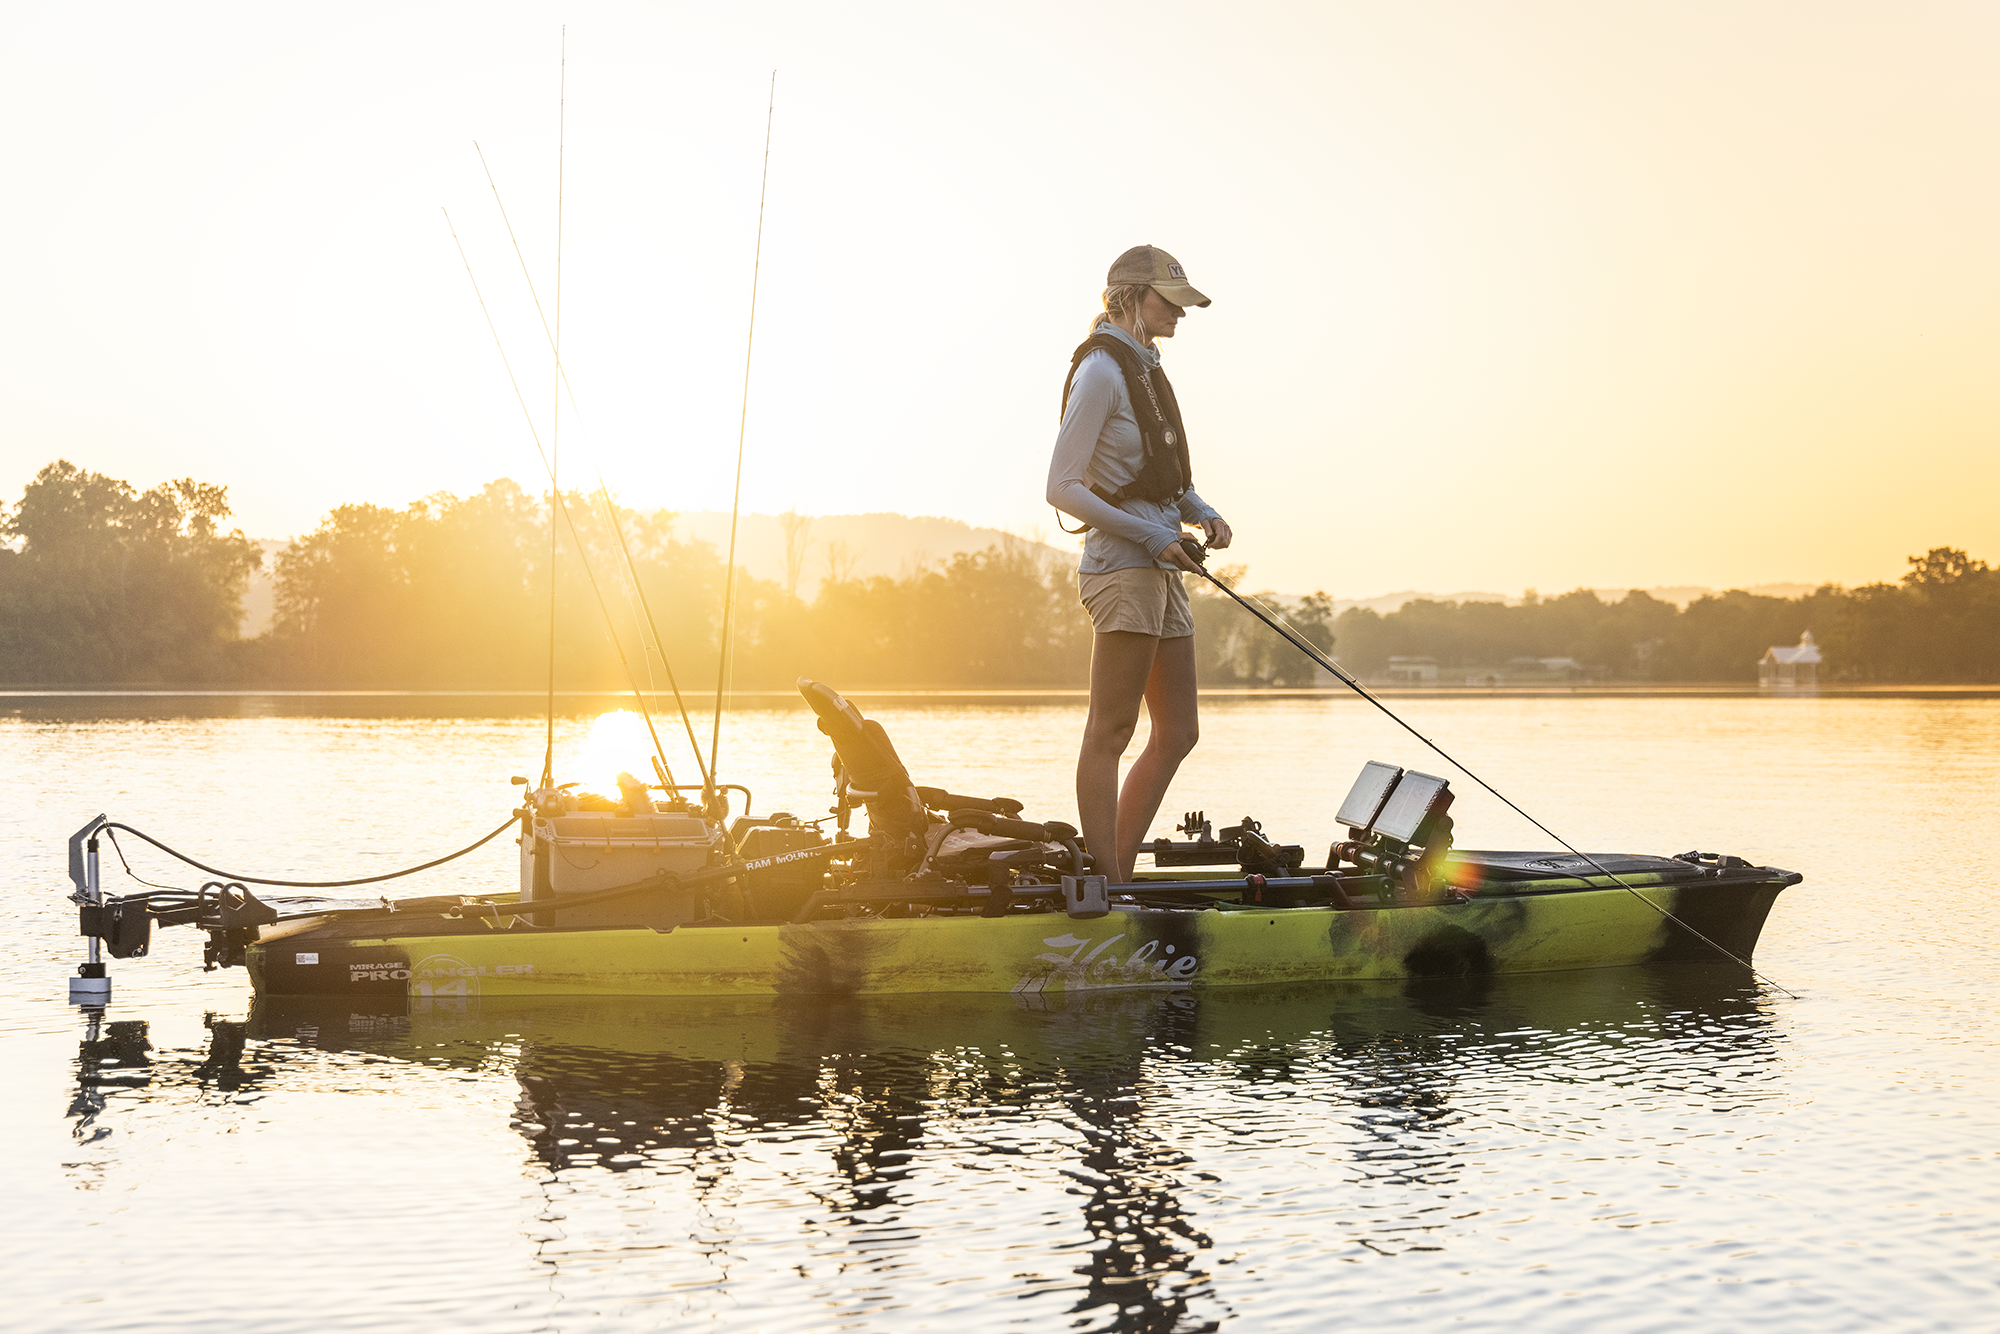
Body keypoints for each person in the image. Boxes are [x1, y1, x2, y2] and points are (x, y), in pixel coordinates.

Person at [1046, 244, 1232, 884]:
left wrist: (1202, 511)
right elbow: (1063, 487)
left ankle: (1117, 871)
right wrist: (1154, 539)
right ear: (1129, 297)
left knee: (1178, 731)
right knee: (1113, 728)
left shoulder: (1147, 368)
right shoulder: (1101, 370)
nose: (1180, 315)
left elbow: (1160, 477)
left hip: (1160, 563)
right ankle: (1105, 886)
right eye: (1168, 302)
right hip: (1122, 568)